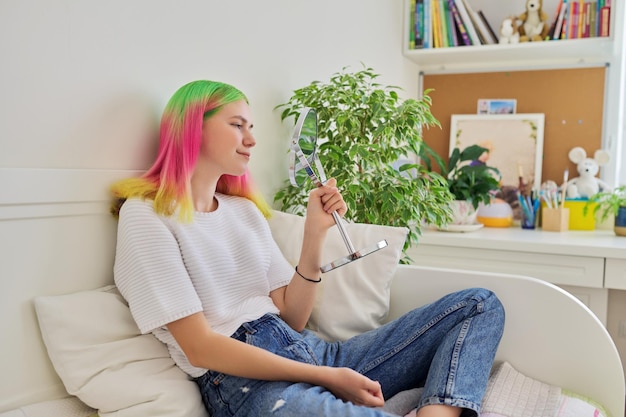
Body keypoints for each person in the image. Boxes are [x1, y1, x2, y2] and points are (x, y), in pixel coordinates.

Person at [111, 80, 505, 417]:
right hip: (247, 382)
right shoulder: (146, 216)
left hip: (309, 351)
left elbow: (294, 318)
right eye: (237, 125)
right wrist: (327, 377)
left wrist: (315, 234)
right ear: (192, 129)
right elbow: (200, 348)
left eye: (251, 127)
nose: (251, 139)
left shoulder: (244, 212)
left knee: (479, 304)